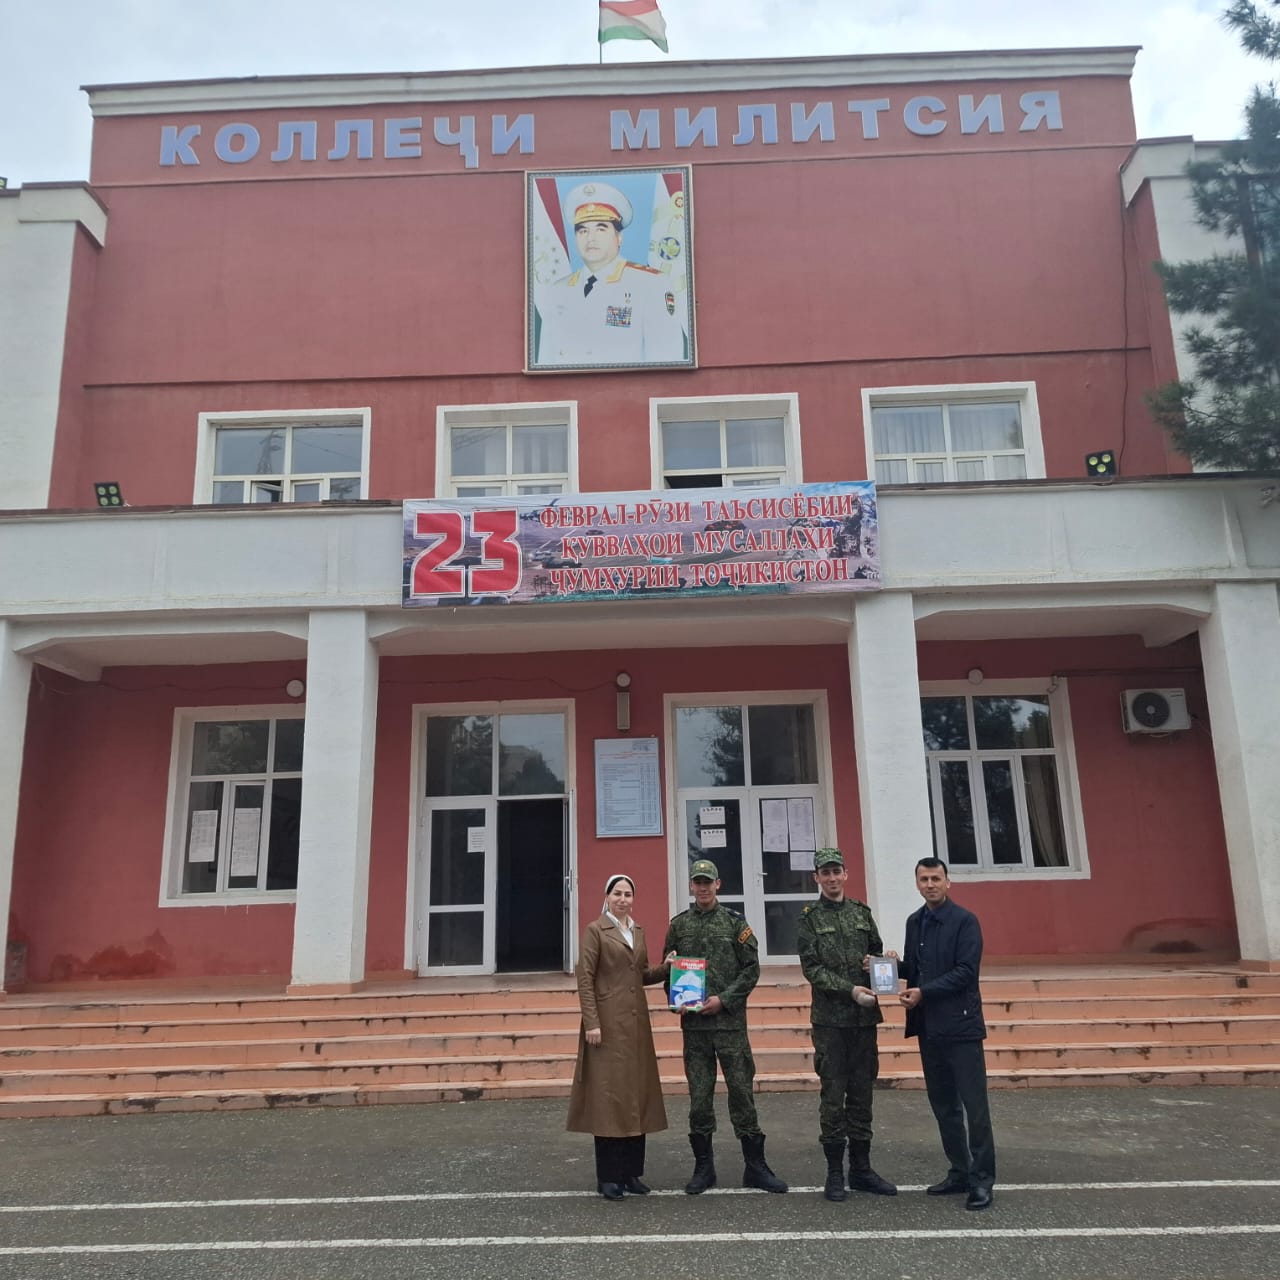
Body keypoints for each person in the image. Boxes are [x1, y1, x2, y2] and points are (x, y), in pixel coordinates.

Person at [662, 859, 788, 1196]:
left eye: (708, 882)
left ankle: (756, 1167)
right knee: (699, 1099)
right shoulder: (679, 926)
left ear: (718, 884)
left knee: (742, 1094)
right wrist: (676, 999)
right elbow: (668, 970)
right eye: (698, 882)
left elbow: (751, 969)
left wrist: (724, 999)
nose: (703, 888)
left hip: (729, 1025)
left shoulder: (735, 923)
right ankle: (704, 1168)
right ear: (691, 886)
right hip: (696, 1030)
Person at [796, 847, 898, 1202]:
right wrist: (850, 990)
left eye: (836, 871)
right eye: (825, 873)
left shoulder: (861, 913)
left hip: (863, 1021)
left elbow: (875, 954)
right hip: (830, 1024)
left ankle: (862, 1169)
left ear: (845, 874)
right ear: (817, 878)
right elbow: (812, 969)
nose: (832, 878)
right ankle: (835, 1173)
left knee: (862, 1095)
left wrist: (883, 963)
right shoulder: (809, 919)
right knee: (832, 1099)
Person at [900, 856, 996, 1211]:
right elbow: (915, 969)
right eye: (924, 879)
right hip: (929, 1028)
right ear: (917, 884)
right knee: (944, 1106)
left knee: (975, 1108)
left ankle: (982, 1180)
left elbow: (965, 972)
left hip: (961, 1027)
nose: (930, 884)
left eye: (936, 878)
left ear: (947, 882)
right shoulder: (915, 922)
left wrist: (923, 992)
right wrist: (886, 966)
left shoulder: (965, 921)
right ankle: (960, 1171)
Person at [566, 873, 670, 1200]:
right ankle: (609, 1177)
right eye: (617, 893)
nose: (623, 899)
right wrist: (592, 1022)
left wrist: (667, 968)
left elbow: (640, 975)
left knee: (636, 1096)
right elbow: (585, 979)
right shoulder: (595, 931)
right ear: (607, 897)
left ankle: (631, 1173)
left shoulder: (637, 931)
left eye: (628, 894)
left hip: (636, 1027)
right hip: (607, 1025)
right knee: (609, 1099)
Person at [535, 180, 686, 367]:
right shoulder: (557, 291)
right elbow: (546, 364)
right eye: (583, 231)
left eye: (600, 229)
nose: (591, 238)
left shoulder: (650, 284)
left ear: (619, 237)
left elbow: (667, 363)